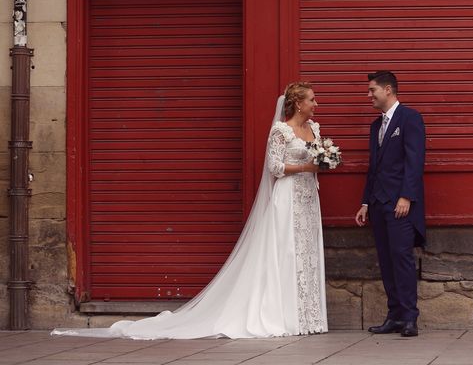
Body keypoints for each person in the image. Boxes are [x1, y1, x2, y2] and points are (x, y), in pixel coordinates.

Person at [53, 82, 328, 339]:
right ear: (298, 104)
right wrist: (306, 167)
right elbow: (275, 168)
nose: (316, 104)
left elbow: (318, 156)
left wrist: (325, 161)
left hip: (307, 198)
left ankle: (308, 318)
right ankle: (285, 316)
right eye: (312, 100)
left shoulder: (314, 129)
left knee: (307, 253)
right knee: (286, 251)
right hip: (287, 198)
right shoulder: (280, 131)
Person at [355, 71, 426, 338]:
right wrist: (364, 202)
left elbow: (414, 161)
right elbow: (373, 168)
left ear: (388, 90)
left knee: (402, 260)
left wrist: (406, 196)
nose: (369, 95)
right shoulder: (376, 126)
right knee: (386, 261)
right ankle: (394, 316)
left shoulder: (410, 118)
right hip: (378, 204)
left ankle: (410, 318)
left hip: (400, 204)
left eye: (372, 90)